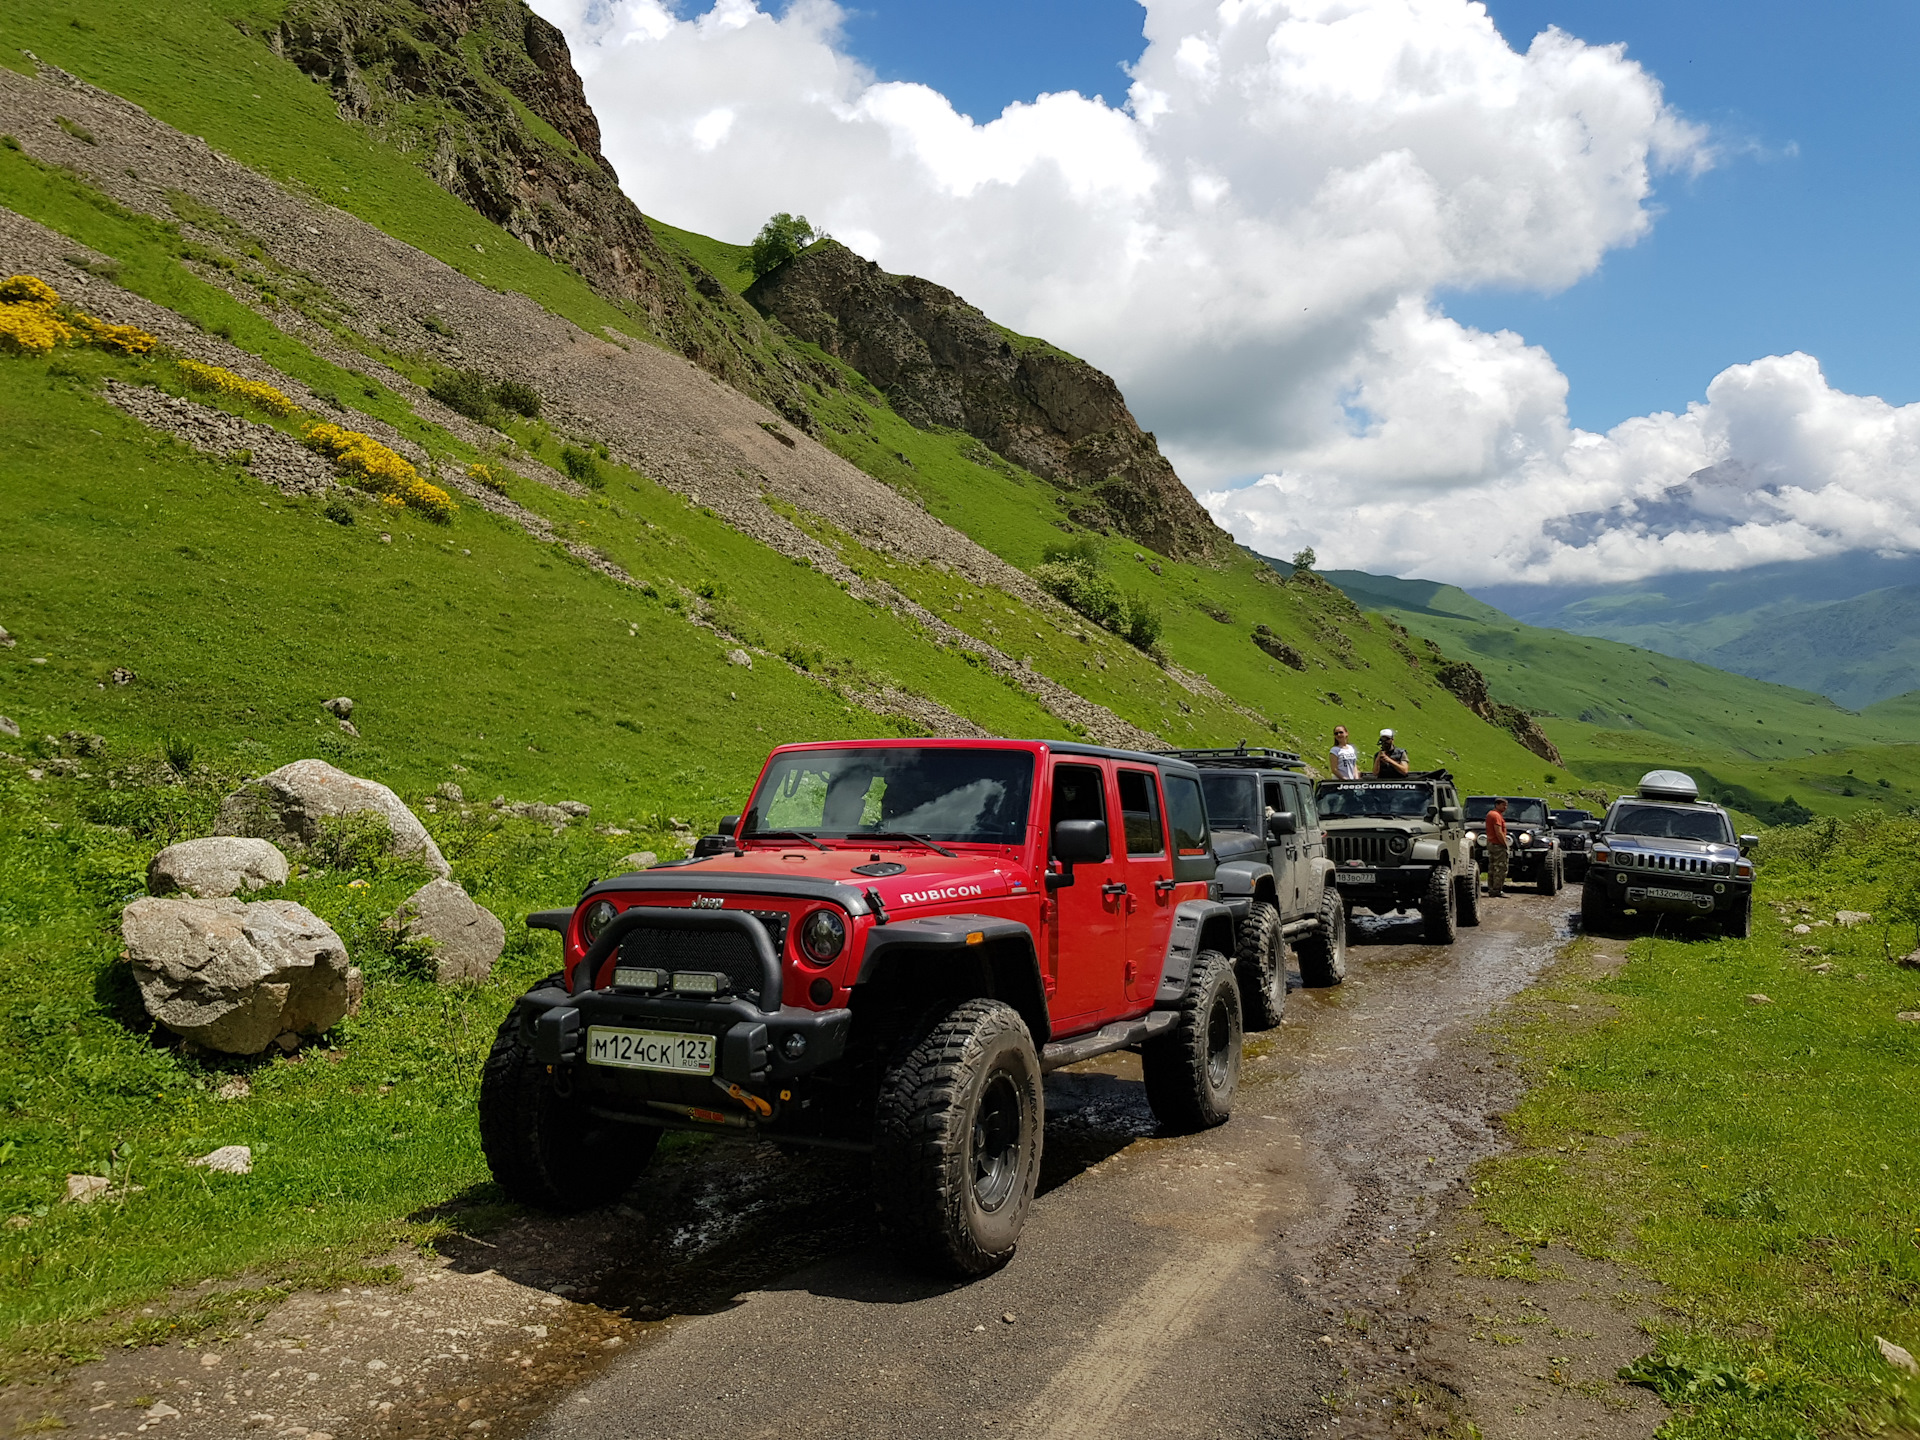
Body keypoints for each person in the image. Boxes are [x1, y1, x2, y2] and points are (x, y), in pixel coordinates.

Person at [1484, 797, 1510, 897]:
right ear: (1497, 805)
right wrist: (1504, 844)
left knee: (1492, 867)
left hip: (1491, 843)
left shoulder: (1490, 814)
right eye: (1503, 805)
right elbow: (1498, 831)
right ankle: (1497, 890)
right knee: (1500, 868)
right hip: (1498, 844)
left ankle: (1491, 889)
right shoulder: (1496, 816)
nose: (1505, 807)